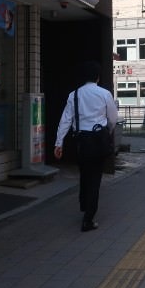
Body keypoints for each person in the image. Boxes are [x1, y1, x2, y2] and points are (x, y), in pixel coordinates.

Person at [55, 61, 118, 232]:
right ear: (97, 77)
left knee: (84, 175)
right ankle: (88, 219)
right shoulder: (104, 94)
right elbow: (113, 119)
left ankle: (84, 206)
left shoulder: (73, 95)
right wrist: (108, 132)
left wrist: (58, 143)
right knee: (95, 179)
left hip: (82, 141)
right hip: (98, 140)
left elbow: (66, 120)